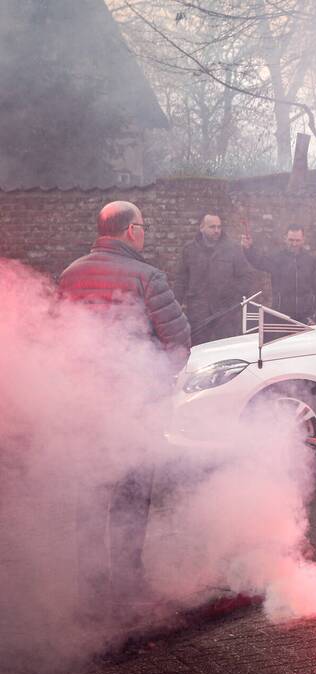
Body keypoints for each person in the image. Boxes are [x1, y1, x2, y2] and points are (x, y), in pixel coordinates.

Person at [58, 200, 190, 618]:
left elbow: (56, 338)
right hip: (135, 406)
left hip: (84, 406)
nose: (146, 233)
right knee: (133, 494)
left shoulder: (70, 275)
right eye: (144, 226)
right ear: (131, 230)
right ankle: (129, 586)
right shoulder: (147, 276)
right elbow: (178, 340)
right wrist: (156, 381)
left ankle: (91, 587)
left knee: (92, 493)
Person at [174, 214, 257, 344]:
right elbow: (181, 280)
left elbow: (247, 276)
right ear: (202, 228)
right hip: (198, 313)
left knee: (225, 351)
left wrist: (233, 296)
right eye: (212, 227)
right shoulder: (189, 250)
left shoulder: (233, 249)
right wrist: (176, 306)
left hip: (226, 313)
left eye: (219, 227)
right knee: (198, 351)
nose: (217, 230)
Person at [240, 225, 316, 325]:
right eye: (291, 240)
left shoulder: (311, 261)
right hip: (281, 317)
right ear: (285, 238)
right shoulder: (277, 258)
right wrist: (248, 249)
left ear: (303, 240)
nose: (294, 244)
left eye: (297, 240)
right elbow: (259, 262)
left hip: (306, 319)